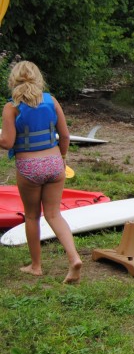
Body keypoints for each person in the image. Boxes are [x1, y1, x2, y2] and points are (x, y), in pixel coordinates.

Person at [0, 61, 82, 284]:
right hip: (55, 164)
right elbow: (64, 136)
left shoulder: (11, 107)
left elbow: (7, 142)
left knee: (32, 215)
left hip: (29, 168)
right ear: (38, 78)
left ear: (13, 81)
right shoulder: (51, 100)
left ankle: (36, 266)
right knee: (54, 215)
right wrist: (62, 159)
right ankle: (74, 258)